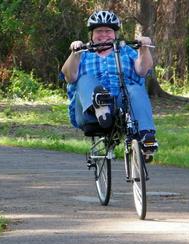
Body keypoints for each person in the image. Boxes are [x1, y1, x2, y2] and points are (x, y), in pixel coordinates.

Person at [61, 10, 158, 152]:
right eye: (99, 31)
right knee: (85, 79)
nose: (104, 35)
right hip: (89, 112)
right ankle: (99, 105)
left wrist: (143, 49)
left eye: (108, 31)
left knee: (135, 87)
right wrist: (75, 53)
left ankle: (146, 136)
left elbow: (143, 70)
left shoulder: (125, 51)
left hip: (122, 107)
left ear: (115, 34)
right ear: (92, 35)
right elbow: (69, 76)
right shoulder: (83, 54)